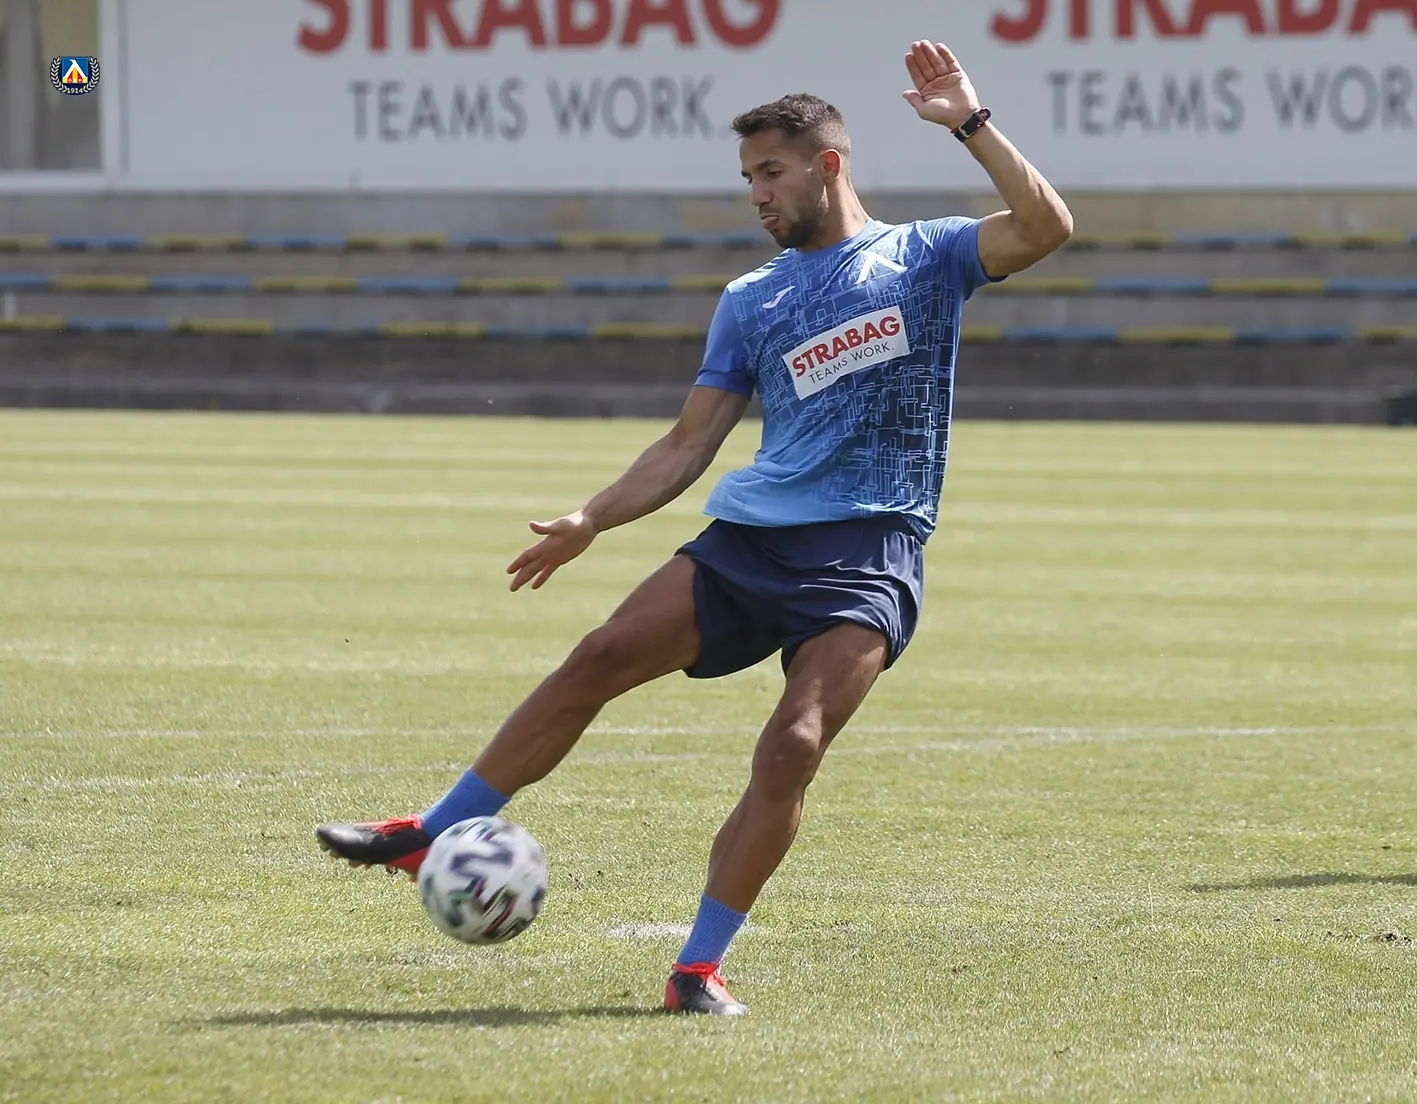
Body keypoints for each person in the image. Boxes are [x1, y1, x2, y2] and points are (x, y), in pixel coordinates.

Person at [316, 40, 1073, 1016]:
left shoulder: (925, 257)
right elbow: (687, 444)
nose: (755, 194)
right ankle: (433, 830)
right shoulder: (752, 300)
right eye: (746, 176)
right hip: (751, 541)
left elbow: (1047, 227)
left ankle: (695, 970)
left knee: (793, 744)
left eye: (771, 172)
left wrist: (969, 122)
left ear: (827, 165)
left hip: (867, 552)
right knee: (597, 656)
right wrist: (592, 517)